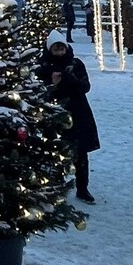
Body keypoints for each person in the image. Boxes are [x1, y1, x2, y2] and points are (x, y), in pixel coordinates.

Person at [37, 31, 100, 204]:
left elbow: (85, 87)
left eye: (61, 49)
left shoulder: (76, 64)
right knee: (53, 151)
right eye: (56, 49)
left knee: (80, 153)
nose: (59, 52)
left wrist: (71, 78)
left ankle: (82, 188)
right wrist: (51, 84)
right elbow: (38, 91)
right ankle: (54, 187)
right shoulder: (43, 66)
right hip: (53, 113)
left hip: (78, 112)